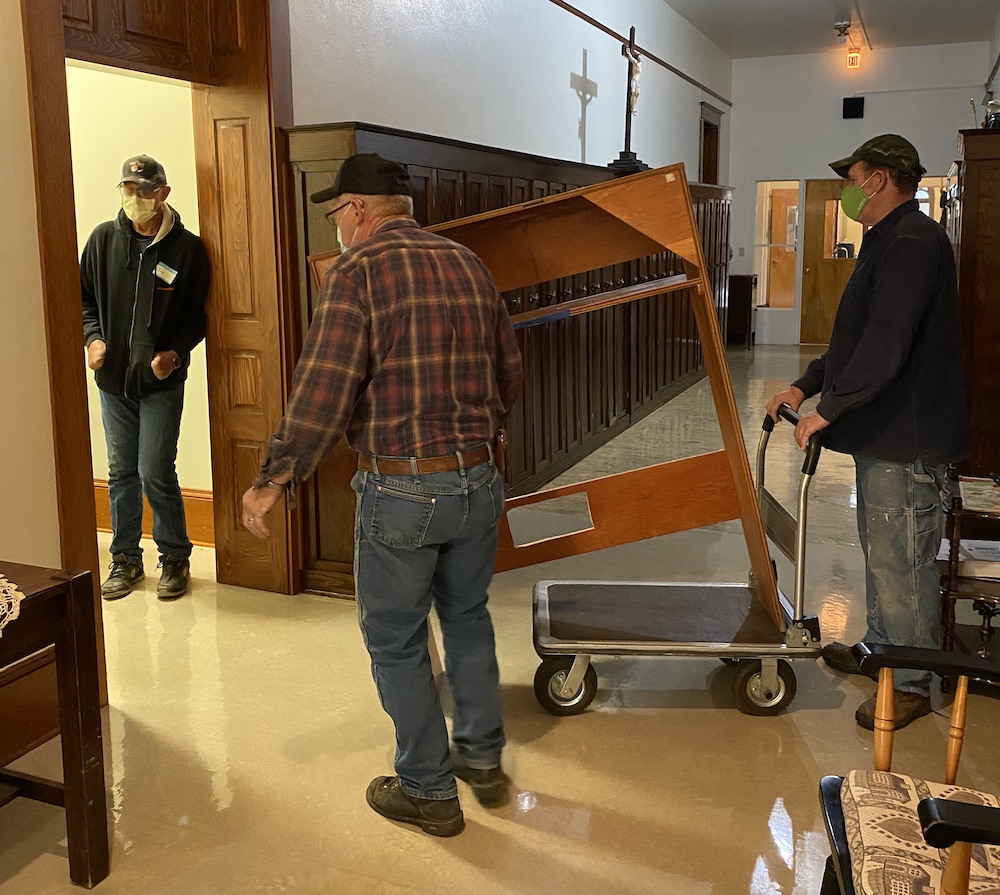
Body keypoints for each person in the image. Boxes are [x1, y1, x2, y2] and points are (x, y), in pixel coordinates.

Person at [241, 153, 524, 836]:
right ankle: (481, 758)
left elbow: (324, 387)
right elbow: (508, 372)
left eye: (337, 212)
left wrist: (275, 477)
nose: (337, 225)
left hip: (403, 487)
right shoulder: (467, 262)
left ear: (359, 210)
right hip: (478, 478)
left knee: (395, 639)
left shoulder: (357, 272)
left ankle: (428, 788)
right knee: (466, 616)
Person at [766, 134, 968, 731]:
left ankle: (910, 682)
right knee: (884, 554)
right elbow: (854, 339)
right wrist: (806, 386)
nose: (849, 189)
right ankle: (884, 651)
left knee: (902, 560)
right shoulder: (886, 239)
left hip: (907, 437)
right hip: (884, 433)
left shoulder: (912, 241)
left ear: (879, 178)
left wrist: (830, 410)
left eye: (853, 178)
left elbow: (888, 344)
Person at [82, 155, 210, 601]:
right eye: (128, 189)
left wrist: (174, 356)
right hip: (113, 381)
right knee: (121, 473)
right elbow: (83, 301)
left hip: (160, 382)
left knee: (155, 469)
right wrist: (92, 339)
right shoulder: (101, 240)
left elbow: (198, 318)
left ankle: (174, 557)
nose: (135, 199)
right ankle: (125, 560)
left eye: (144, 190)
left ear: (163, 194)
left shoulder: (186, 249)